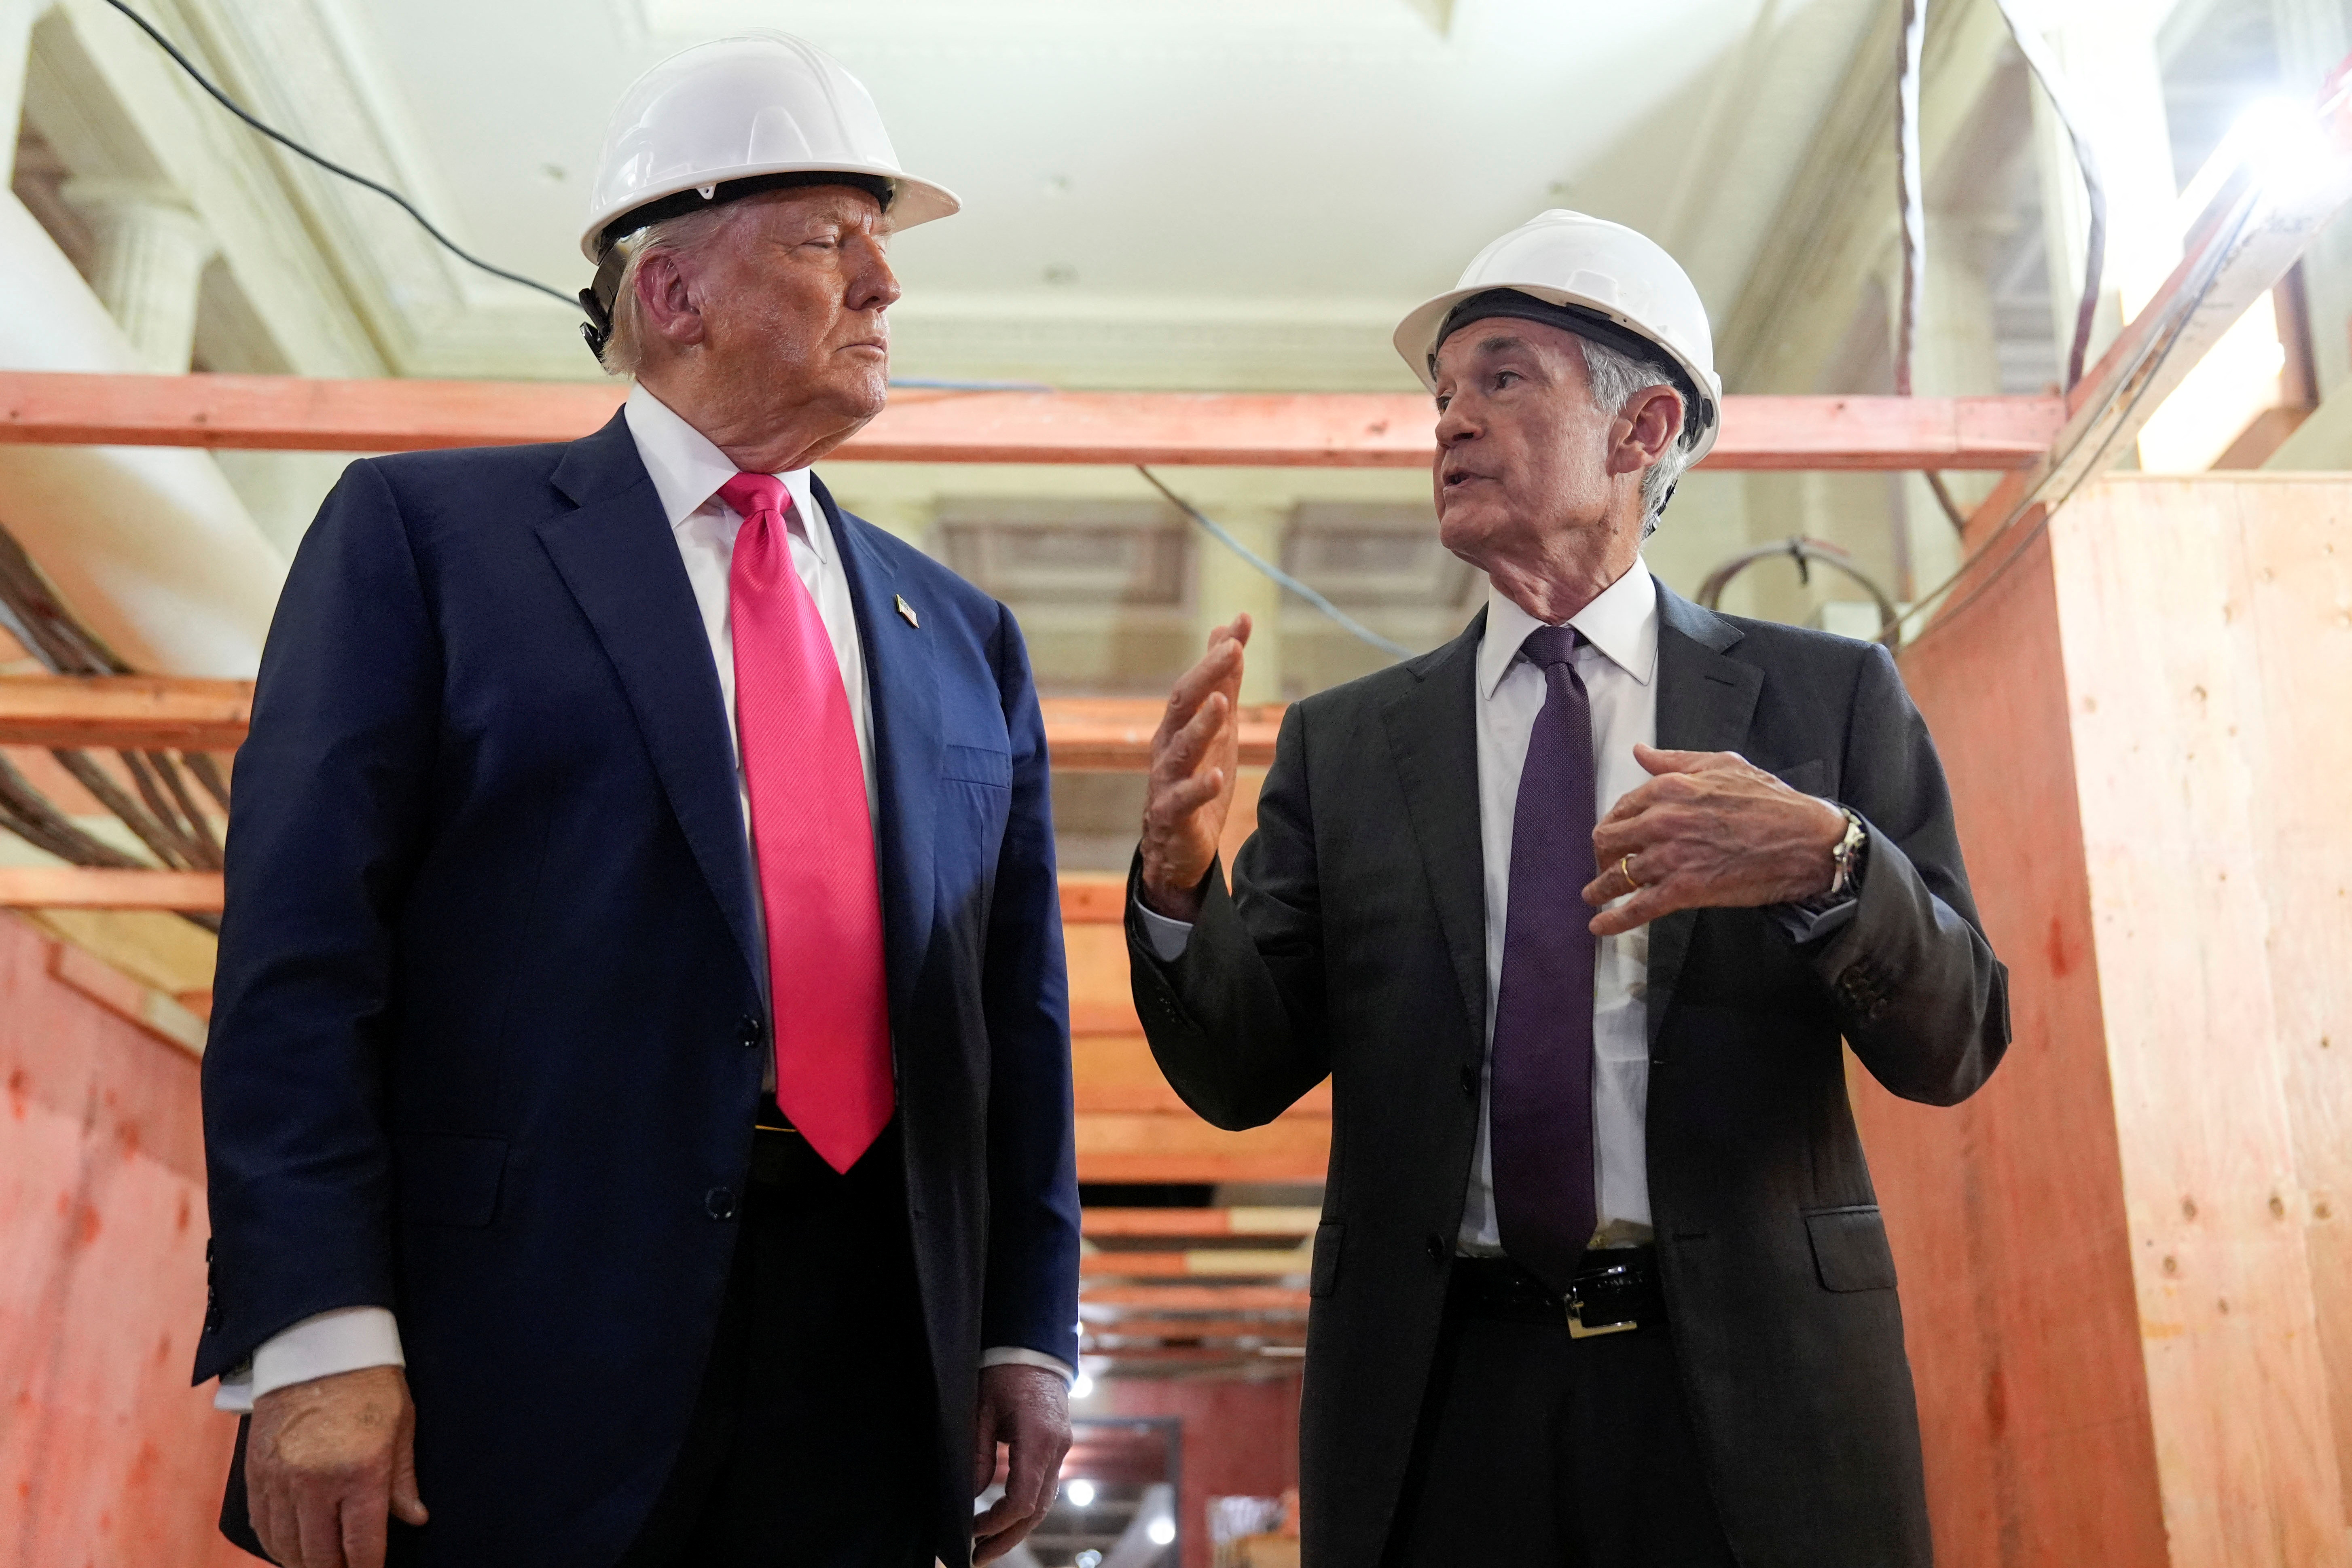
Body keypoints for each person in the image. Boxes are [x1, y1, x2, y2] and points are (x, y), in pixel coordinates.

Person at [195, 33, 1077, 1568]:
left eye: (883, 249)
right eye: (832, 241)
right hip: (513, 1359)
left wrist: (1028, 1329)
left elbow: (1015, 1021)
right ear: (671, 294)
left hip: (872, 1371)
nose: (885, 287)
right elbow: (298, 956)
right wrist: (317, 1326)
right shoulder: (423, 540)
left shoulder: (966, 640)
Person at [1127, 210, 2010, 1566]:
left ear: (1643, 427)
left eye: (1500, 378)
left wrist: (1831, 863)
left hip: (1748, 1391)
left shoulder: (1825, 702)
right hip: (1440, 1401)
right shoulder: (1349, 745)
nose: (1448, 423)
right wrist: (1181, 887)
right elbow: (1244, 1069)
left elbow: (1955, 1040)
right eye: (1441, 394)